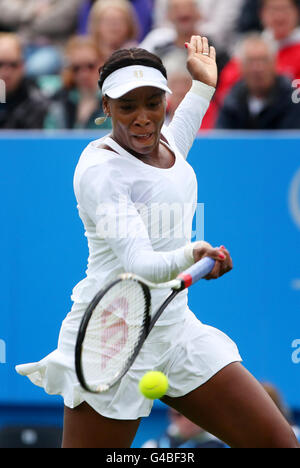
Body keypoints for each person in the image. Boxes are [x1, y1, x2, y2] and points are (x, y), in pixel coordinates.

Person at [15, 36, 299, 449]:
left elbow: (174, 153)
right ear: (106, 107)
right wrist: (193, 253)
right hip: (114, 337)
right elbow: (139, 262)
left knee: (278, 443)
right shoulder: (100, 171)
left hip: (174, 327)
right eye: (128, 106)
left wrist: (202, 88)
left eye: (153, 102)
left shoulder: (161, 144)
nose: (144, 117)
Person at [212, 0, 300, 127]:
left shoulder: (289, 95)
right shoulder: (249, 49)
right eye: (273, 10)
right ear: (261, 13)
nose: (279, 16)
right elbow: (225, 93)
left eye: (285, 10)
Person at [216, 33, 300, 129]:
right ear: (240, 67)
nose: (257, 68)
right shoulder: (231, 102)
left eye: (264, 60)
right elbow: (221, 139)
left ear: (275, 63)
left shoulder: (292, 100)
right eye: (251, 61)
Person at [44, 36, 110, 130]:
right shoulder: (59, 102)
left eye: (90, 66)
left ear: (101, 64)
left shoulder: (112, 101)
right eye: (76, 68)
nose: (84, 74)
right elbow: (51, 139)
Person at [0, 0, 81, 77]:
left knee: (31, 70)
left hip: (53, 48)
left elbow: (59, 21)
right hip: (22, 43)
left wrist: (27, 21)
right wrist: (32, 11)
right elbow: (4, 10)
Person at [0, 33, 49, 129]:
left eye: (13, 64)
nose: (6, 71)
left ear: (23, 66)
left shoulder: (37, 102)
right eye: (0, 64)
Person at [142, 408, 227, 448]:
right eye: (179, 415)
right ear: (170, 416)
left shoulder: (224, 445)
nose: (187, 421)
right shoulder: (152, 446)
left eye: (193, 415)